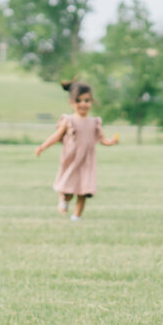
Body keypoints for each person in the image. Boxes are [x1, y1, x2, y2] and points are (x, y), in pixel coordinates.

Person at [34, 80, 119, 220]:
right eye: (79, 100)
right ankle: (65, 199)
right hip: (72, 160)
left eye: (87, 100)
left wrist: (111, 142)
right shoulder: (69, 121)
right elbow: (56, 136)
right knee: (68, 189)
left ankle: (76, 217)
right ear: (71, 102)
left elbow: (102, 139)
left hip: (87, 162)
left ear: (91, 102)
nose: (83, 104)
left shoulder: (94, 122)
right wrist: (42, 147)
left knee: (83, 191)